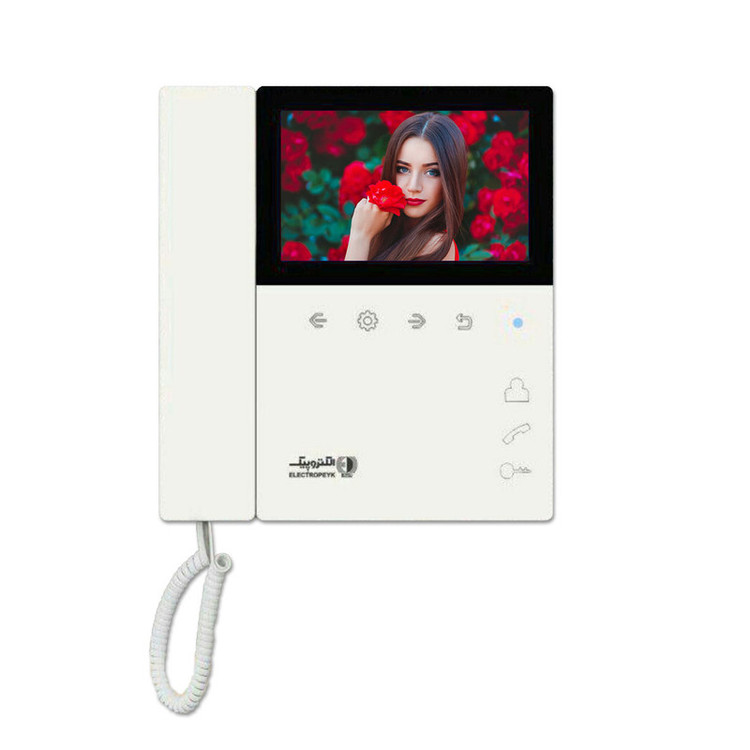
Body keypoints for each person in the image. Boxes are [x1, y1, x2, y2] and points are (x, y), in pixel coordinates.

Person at [344, 112, 467, 261]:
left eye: (432, 172)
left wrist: (360, 236)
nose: (413, 186)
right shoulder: (382, 231)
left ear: (450, 177)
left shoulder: (436, 246)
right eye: (403, 169)